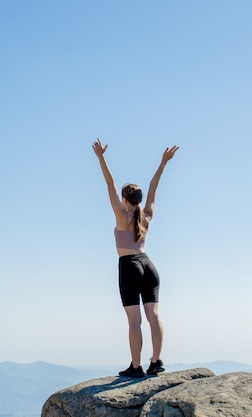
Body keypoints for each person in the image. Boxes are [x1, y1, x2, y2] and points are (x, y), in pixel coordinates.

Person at [92, 138, 179, 378]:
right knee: (154, 316)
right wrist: (163, 162)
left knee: (134, 322)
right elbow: (153, 186)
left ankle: (136, 366)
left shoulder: (122, 215)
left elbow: (109, 183)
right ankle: (157, 361)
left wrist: (101, 157)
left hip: (129, 266)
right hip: (149, 265)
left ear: (125, 198)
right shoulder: (147, 215)